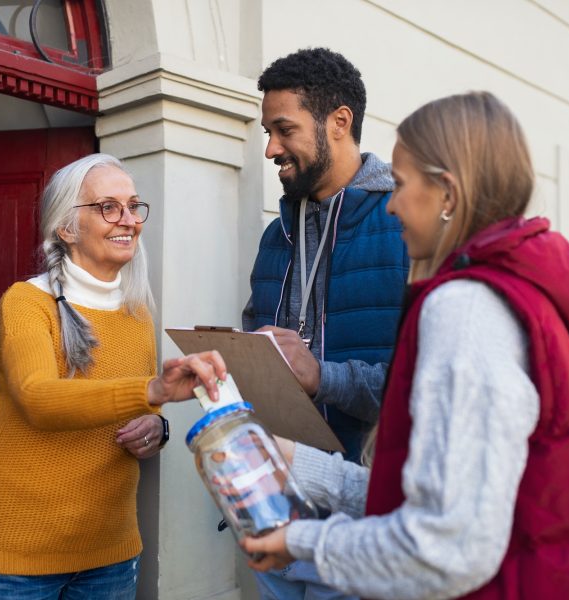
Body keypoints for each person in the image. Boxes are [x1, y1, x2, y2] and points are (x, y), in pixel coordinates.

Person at [242, 91, 569, 599]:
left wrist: (302, 540)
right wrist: (295, 459)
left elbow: (445, 546)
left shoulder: (465, 308)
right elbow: (426, 500)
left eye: (400, 185)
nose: (392, 204)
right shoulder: (509, 287)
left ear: (447, 193)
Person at [0, 153, 226, 600]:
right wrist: (153, 390)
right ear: (66, 228)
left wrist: (156, 428)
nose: (128, 220)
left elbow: (135, 409)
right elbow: (39, 399)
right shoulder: (27, 302)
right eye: (108, 207)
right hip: (19, 550)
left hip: (110, 550)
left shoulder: (136, 311)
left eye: (133, 205)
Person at [242, 47, 409, 599]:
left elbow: (422, 394)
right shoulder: (276, 236)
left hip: (365, 521)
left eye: (283, 129)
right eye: (268, 131)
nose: (270, 149)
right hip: (274, 507)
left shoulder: (406, 230)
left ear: (339, 122)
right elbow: (257, 352)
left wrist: (321, 377)